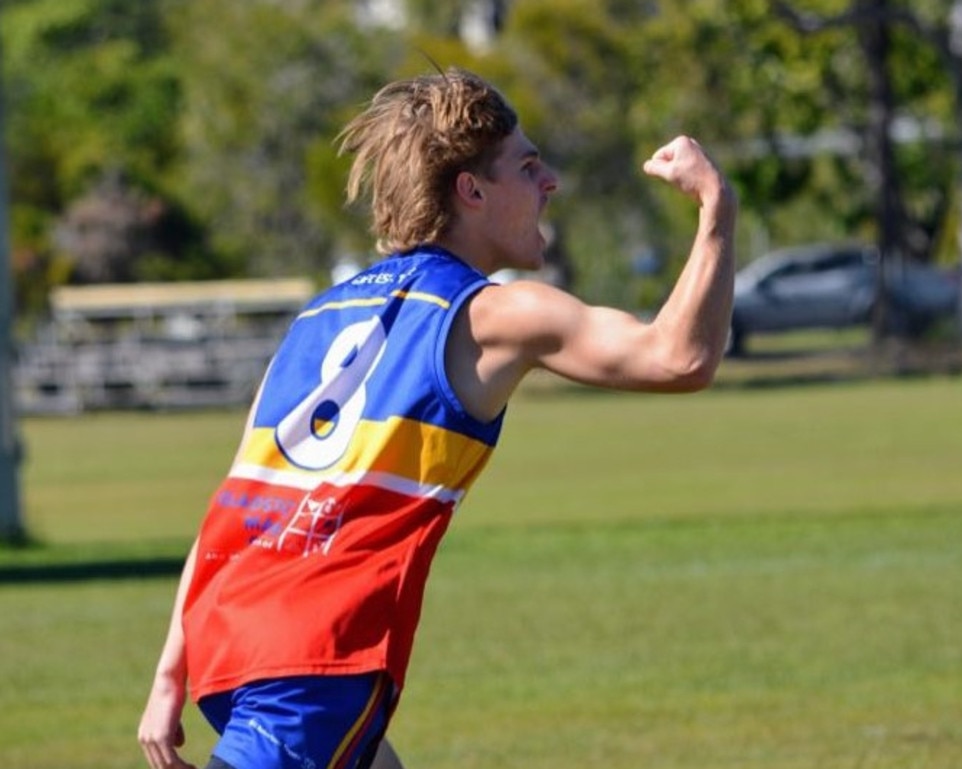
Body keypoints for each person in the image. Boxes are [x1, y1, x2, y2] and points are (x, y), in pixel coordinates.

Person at [138, 66, 736, 769]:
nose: (550, 184)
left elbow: (235, 507)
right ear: (471, 190)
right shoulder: (493, 313)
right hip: (313, 665)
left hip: (228, 643)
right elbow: (677, 357)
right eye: (528, 166)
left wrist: (169, 675)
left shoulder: (317, 321)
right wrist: (716, 208)